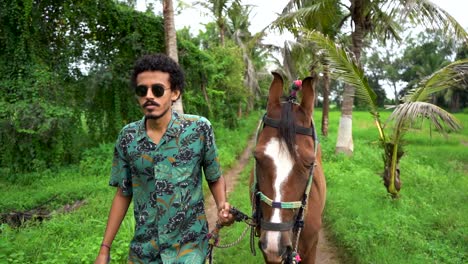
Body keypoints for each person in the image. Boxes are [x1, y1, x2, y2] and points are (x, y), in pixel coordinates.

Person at [95, 53, 233, 264]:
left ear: (175, 93)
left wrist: (222, 204)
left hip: (190, 248)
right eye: (142, 90)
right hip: (144, 252)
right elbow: (123, 193)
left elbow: (214, 176)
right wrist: (105, 249)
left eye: (157, 90)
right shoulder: (128, 137)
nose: (149, 96)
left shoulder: (198, 129)